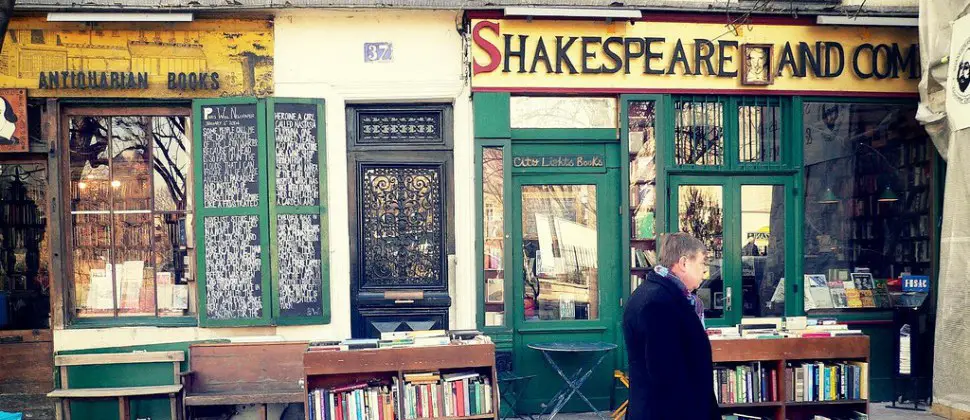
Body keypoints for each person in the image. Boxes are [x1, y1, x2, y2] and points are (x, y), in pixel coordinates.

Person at [622, 232, 719, 420]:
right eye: (701, 264)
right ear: (683, 263)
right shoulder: (658, 303)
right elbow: (666, 375)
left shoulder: (658, 294)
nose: (704, 271)